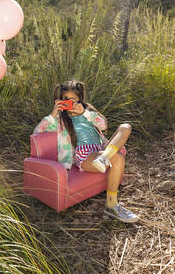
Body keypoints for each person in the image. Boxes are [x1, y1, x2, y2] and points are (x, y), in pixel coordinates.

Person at [33, 80, 138, 223]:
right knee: (118, 158)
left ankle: (106, 165)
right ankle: (112, 203)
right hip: (85, 155)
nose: (69, 103)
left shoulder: (87, 113)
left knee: (125, 127)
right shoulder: (60, 119)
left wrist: (85, 113)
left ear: (80, 100)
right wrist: (53, 114)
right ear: (60, 100)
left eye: (73, 100)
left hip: (101, 150)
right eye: (65, 100)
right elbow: (38, 131)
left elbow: (103, 125)